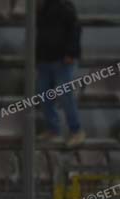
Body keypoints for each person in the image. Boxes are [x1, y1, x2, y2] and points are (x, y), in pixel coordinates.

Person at [36, 0, 85, 147]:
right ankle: (53, 129)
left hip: (62, 60)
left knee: (66, 97)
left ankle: (76, 131)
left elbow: (75, 29)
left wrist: (71, 53)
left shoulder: (64, 6)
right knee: (44, 96)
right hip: (44, 60)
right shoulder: (42, 7)